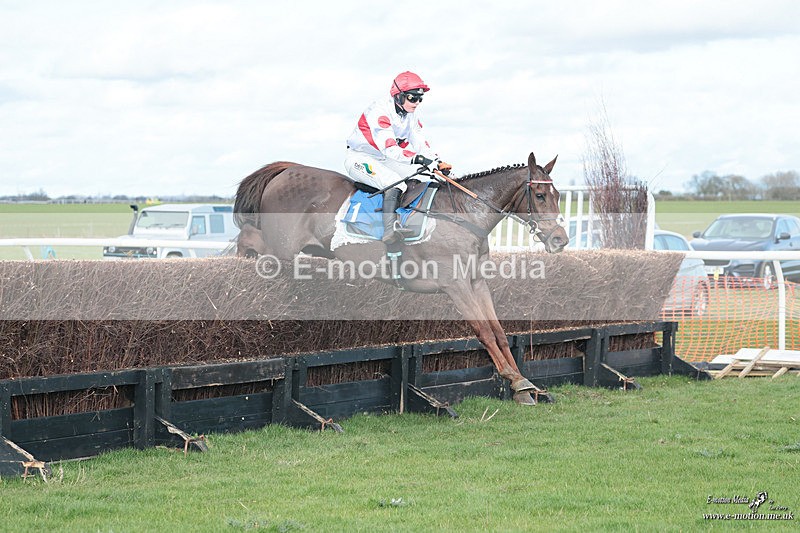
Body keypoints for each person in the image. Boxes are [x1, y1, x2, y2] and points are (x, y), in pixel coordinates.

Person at [345, 71, 452, 244]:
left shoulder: (410, 113)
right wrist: (421, 160)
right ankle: (390, 231)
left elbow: (419, 142)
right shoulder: (379, 112)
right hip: (360, 158)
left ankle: (409, 220)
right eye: (412, 98)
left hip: (383, 159)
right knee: (394, 182)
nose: (417, 103)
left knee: (421, 176)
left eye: (420, 98)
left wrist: (436, 162)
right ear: (398, 96)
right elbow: (391, 150)